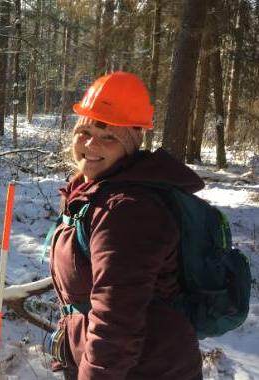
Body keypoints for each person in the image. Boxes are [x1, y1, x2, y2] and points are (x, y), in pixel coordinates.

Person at [47, 72, 203, 379]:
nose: (91, 144)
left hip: (146, 370)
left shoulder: (128, 209)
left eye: (109, 137)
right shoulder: (92, 190)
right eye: (85, 131)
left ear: (131, 144)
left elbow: (116, 319)